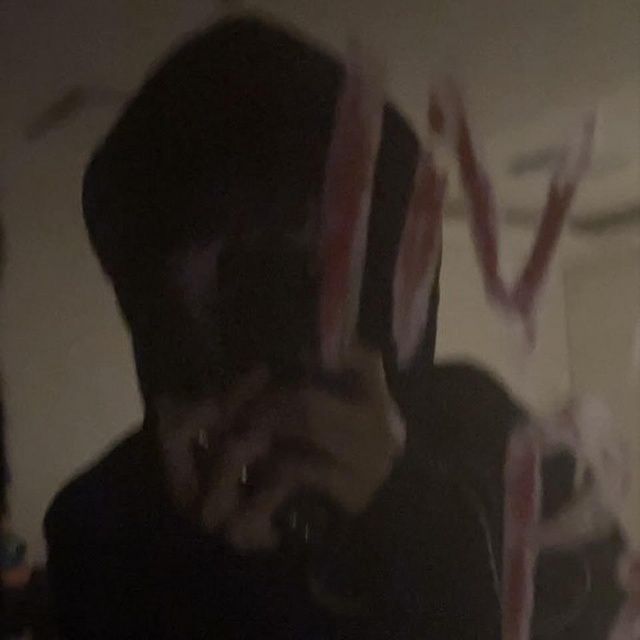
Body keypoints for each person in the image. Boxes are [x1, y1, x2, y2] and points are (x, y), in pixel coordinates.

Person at [44, 16, 621, 639]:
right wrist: (197, 570)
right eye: (238, 268)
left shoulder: (486, 432)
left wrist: (412, 526)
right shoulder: (104, 522)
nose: (283, 306)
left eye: (326, 249)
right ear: (159, 294)